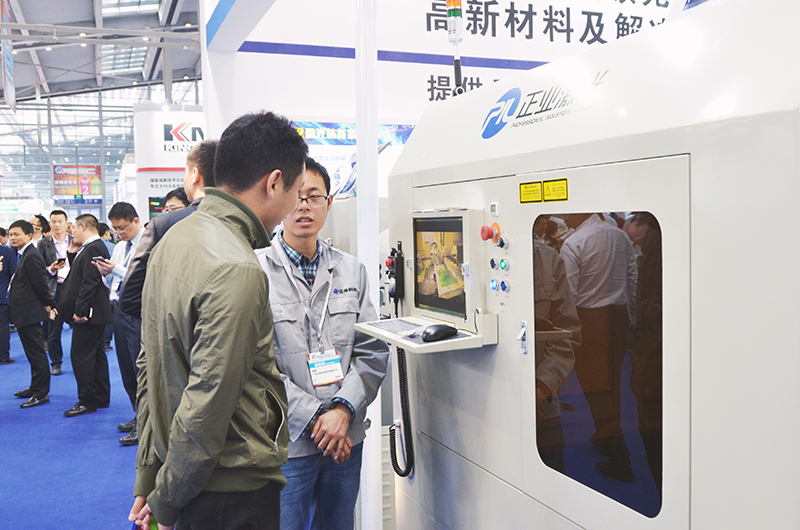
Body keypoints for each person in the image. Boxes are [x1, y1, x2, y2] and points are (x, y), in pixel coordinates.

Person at [130, 112, 307, 530]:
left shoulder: (175, 239)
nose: (296, 206)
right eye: (297, 191)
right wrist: (166, 499)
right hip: (230, 487)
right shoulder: (236, 267)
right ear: (274, 183)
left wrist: (151, 474)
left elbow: (149, 366)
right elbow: (208, 403)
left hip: (185, 473)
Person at [257, 157, 389, 530]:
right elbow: (257, 365)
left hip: (346, 437)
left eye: (314, 197)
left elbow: (372, 350)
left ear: (329, 203)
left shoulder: (351, 270)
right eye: (295, 197)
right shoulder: (256, 271)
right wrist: (318, 418)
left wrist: (343, 410)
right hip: (287, 443)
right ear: (280, 201)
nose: (304, 206)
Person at [116, 140, 217, 440]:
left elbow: (130, 296)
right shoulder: (250, 224)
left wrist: (162, 325)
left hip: (173, 348)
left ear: (194, 174)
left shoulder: (163, 225)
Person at [560, 212, 637, 482]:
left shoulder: (574, 243)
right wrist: (632, 320)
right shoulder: (620, 236)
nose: (564, 215)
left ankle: (619, 458)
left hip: (589, 320)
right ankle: (604, 436)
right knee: (612, 384)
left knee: (596, 390)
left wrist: (564, 335)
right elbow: (632, 279)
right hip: (618, 318)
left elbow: (568, 294)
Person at [94, 202, 144, 445]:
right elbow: (111, 283)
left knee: (140, 368)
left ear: (136, 221)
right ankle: (138, 415)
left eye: (122, 228)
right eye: (115, 229)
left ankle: (146, 423)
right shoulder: (120, 247)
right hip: (118, 310)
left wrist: (118, 269)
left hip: (138, 312)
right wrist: (107, 273)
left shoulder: (148, 244)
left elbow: (143, 278)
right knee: (126, 369)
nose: (119, 233)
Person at [533, 234, 581, 474]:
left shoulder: (548, 260)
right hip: (487, 405)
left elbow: (566, 334)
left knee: (549, 476)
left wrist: (541, 387)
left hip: (544, 407)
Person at [60, 214, 113, 417]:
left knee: (80, 356)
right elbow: (80, 274)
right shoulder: (89, 248)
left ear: (83, 226)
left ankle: (87, 401)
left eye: (73, 227)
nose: (71, 232)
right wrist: (72, 255)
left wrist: (81, 311)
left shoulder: (94, 247)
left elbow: (90, 282)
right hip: (94, 313)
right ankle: (100, 396)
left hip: (89, 314)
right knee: (96, 355)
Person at [630, 213, 663, 499]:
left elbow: (653, 302)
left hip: (655, 345)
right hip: (650, 344)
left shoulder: (659, 235)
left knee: (653, 425)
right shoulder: (654, 233)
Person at [8, 220, 56, 408]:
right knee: (32, 353)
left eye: (16, 234)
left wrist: (49, 304)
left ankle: (41, 393)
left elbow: (41, 285)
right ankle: (35, 387)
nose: (12, 238)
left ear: (29, 235)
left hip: (30, 313)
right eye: (10, 234)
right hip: (23, 313)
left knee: (36, 354)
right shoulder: (23, 254)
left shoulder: (32, 255)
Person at [44, 210, 72, 375]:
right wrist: (51, 269)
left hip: (73, 288)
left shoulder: (75, 241)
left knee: (80, 325)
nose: (56, 225)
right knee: (54, 330)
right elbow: (38, 268)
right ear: (50, 224)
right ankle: (56, 362)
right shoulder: (44, 244)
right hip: (55, 289)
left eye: (60, 221)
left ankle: (81, 359)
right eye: (53, 221)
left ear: (66, 223)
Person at [0, 237, 16, 365]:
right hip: (3, 294)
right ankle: (3, 356)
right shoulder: (7, 252)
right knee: (3, 325)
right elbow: (13, 273)